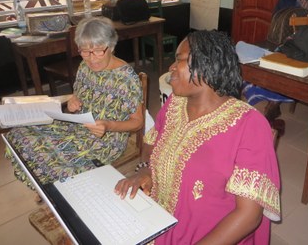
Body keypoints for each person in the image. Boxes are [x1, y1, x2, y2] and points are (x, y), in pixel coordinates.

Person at [115, 30, 281, 244]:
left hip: (208, 235)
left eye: (179, 60)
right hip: (158, 218)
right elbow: (150, 143)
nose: (171, 67)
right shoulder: (175, 104)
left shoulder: (249, 125)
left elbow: (248, 216)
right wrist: (145, 169)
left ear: (207, 64)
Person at [5, 16, 144, 187]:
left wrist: (108, 125)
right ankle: (46, 184)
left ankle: (54, 188)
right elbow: (78, 95)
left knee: (57, 157)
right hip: (79, 126)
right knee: (20, 133)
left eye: (98, 51)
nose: (91, 58)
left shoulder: (126, 78)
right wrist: (74, 101)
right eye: (84, 51)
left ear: (112, 47)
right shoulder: (85, 67)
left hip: (106, 139)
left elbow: (138, 122)